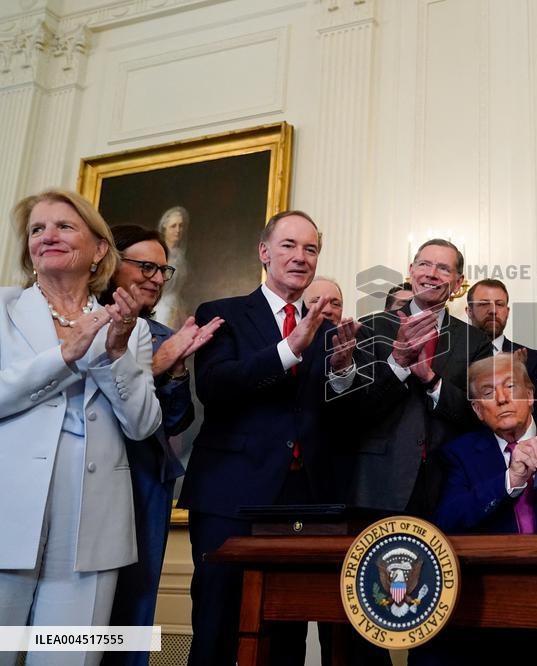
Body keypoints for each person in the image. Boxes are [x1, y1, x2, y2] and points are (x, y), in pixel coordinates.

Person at [177, 210, 361, 666]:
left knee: (286, 634)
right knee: (217, 627)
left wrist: (342, 372)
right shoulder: (222, 313)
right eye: (288, 245)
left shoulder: (326, 328)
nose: (300, 257)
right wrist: (289, 349)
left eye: (310, 249)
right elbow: (215, 386)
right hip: (230, 495)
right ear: (264, 252)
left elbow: (334, 419)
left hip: (302, 500)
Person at [0, 189, 162, 666]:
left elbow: (143, 424)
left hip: (92, 527)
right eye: (37, 229)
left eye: (64, 226)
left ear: (98, 250)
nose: (47, 235)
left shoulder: (132, 327)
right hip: (9, 511)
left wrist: (116, 354)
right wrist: (66, 355)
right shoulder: (3, 309)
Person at [411, 353, 537, 666]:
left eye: (510, 387)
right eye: (488, 392)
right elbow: (448, 520)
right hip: (494, 601)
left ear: (530, 395)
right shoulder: (459, 454)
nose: (501, 399)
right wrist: (509, 480)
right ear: (477, 410)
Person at [100, 225, 223, 666]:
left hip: (146, 483)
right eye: (145, 266)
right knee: (79, 615)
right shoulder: (85, 322)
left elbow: (176, 420)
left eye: (163, 270)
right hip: (95, 477)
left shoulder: (163, 333)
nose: (156, 278)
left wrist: (176, 369)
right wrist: (156, 364)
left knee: (133, 606)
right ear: (110, 263)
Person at [341, 239, 492, 514]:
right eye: (424, 264)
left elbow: (480, 414)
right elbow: (356, 410)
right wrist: (398, 365)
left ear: (458, 283)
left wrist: (432, 380)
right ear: (411, 271)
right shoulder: (373, 327)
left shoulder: (475, 341)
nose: (431, 274)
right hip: (380, 481)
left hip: (450, 481)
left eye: (443, 268)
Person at [465, 278, 537, 406]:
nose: (493, 311)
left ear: (507, 312)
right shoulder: (451, 357)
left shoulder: (535, 360)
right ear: (469, 312)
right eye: (484, 304)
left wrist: (520, 378)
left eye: (499, 304)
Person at [154, 206, 189, 329]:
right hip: (160, 307)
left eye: (181, 226)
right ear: (165, 227)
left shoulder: (179, 255)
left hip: (177, 307)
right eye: (173, 226)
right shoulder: (158, 253)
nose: (178, 230)